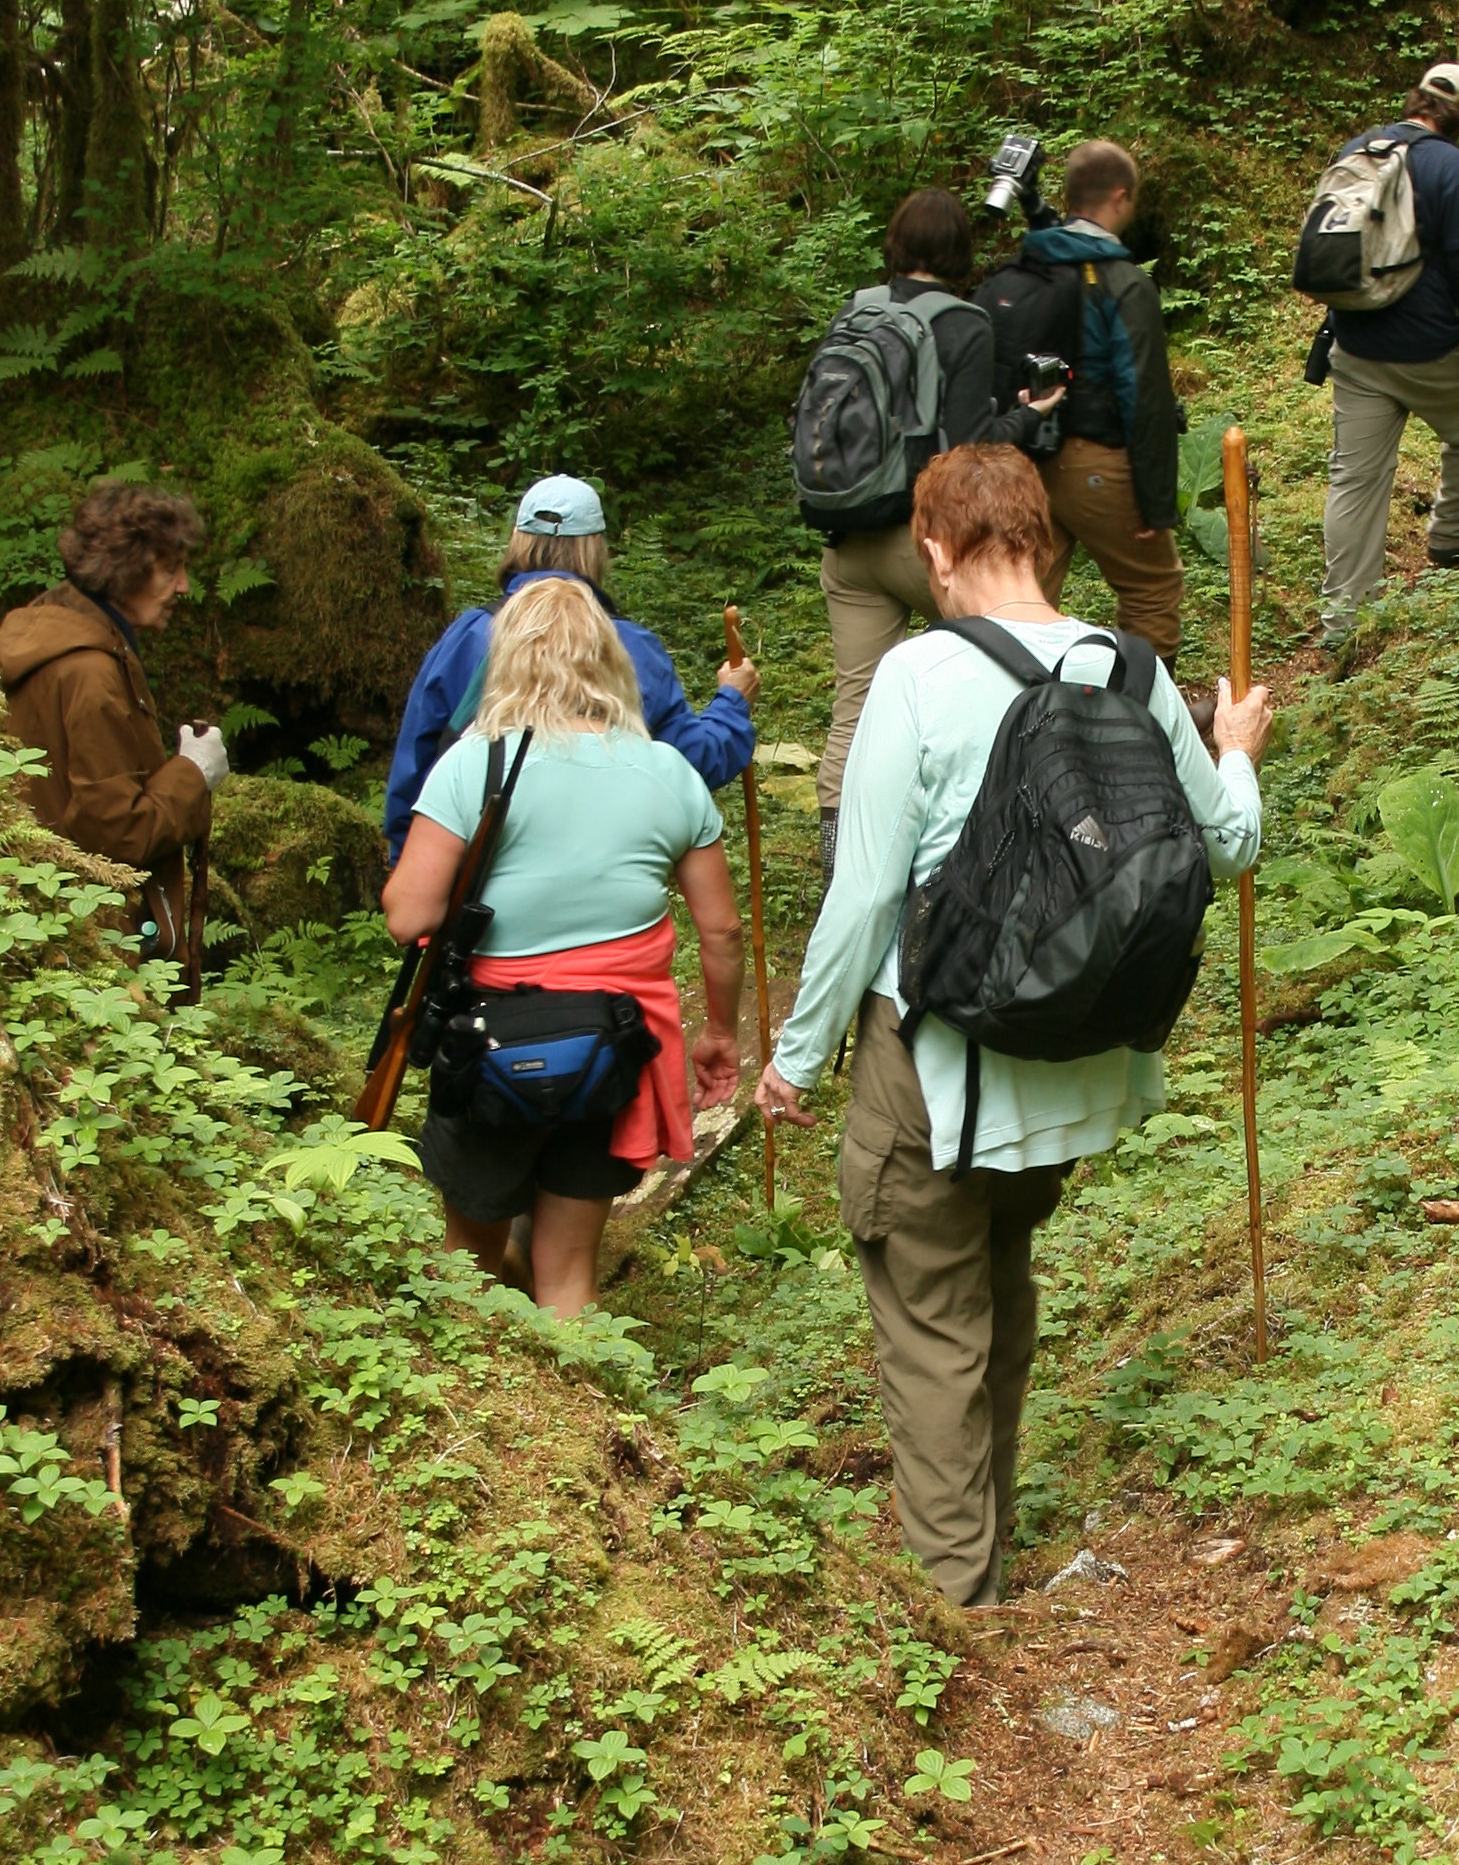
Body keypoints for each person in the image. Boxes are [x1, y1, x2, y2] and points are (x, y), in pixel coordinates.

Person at [758, 442, 1271, 1608]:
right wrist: (1235, 755)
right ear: (1043, 539)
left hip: (937, 1067)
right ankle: (978, 1551)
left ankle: (959, 1605)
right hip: (1073, 1066)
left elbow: (867, 894)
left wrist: (795, 1057)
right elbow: (1225, 848)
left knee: (934, 1320)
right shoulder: (1130, 669)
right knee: (998, 1275)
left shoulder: (918, 677)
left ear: (936, 550)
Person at [382, 575, 745, 1319]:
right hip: (614, 1045)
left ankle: (481, 1408)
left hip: (484, 1043)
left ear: (508, 659)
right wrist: (718, 1034)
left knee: (470, 1261)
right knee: (569, 1267)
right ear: (609, 660)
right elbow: (722, 930)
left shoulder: (474, 765)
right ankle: (576, 1412)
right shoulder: (668, 772)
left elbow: (405, 916)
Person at [814, 188, 1060, 860]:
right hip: (924, 546)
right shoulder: (963, 323)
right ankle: (1004, 837)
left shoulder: (857, 309)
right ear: (958, 251)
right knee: (1008, 663)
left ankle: (842, 860)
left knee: (855, 706)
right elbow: (969, 452)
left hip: (848, 541)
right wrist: (1030, 415)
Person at [383, 474, 755, 864]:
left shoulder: (470, 636)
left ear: (517, 539)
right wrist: (732, 701)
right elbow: (691, 764)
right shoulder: (630, 648)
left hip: (473, 872)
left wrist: (411, 869)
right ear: (596, 549)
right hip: (601, 871)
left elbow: (417, 763)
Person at [0, 480, 227, 966]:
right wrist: (194, 772)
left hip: (43, 922)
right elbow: (118, 836)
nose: (183, 586)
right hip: (87, 946)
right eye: (169, 569)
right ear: (126, 570)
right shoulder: (89, 671)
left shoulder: (55, 627)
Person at [1317, 62, 1459, 641]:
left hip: (1354, 342)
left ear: (1415, 101)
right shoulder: (1453, 167)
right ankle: (1454, 534)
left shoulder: (1358, 150)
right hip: (1429, 348)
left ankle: (1343, 622)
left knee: (1354, 478)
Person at [977, 138, 1185, 665]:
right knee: (1151, 590)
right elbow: (1145, 395)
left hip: (1027, 456)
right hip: (1098, 464)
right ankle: (1142, 723)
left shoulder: (1036, 262)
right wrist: (1155, 500)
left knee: (1026, 604)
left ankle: (1021, 723)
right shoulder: (1123, 282)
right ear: (1121, 196)